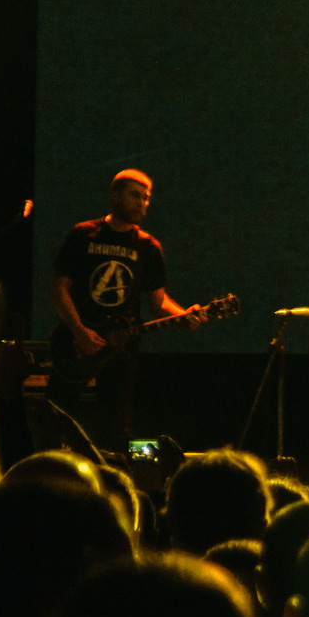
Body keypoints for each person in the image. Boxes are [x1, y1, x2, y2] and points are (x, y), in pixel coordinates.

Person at [49, 169, 188, 442]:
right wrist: (78, 330)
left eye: (146, 198)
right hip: (75, 344)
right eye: (135, 195)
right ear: (115, 195)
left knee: (115, 428)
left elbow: (158, 302)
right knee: (58, 419)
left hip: (121, 349)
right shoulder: (84, 234)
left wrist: (187, 315)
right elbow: (58, 287)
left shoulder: (149, 247)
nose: (142, 203)